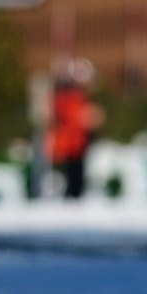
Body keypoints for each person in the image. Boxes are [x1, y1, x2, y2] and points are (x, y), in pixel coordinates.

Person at [45, 57, 100, 200]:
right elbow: (67, 116)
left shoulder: (79, 94)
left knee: (77, 175)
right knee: (71, 176)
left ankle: (74, 196)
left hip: (77, 141)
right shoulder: (67, 95)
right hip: (70, 141)